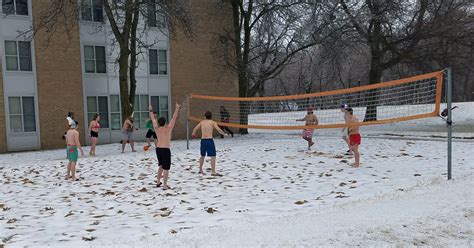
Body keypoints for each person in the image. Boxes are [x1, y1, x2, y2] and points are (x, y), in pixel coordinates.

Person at [148, 103, 180, 190]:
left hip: (158, 149)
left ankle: (158, 182)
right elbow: (174, 118)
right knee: (166, 168)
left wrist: (150, 110)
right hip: (165, 149)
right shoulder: (168, 128)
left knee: (161, 165)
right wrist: (177, 108)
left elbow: (152, 118)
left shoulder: (156, 128)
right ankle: (165, 185)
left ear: (159, 123)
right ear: (165, 122)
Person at [191, 111, 227, 176]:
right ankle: (213, 172)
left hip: (203, 141)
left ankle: (200, 169)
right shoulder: (212, 122)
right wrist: (224, 134)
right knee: (213, 156)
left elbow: (195, 129)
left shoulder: (202, 122)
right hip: (209, 140)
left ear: (205, 117)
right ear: (211, 117)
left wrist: (193, 134)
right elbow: (218, 130)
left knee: (202, 155)